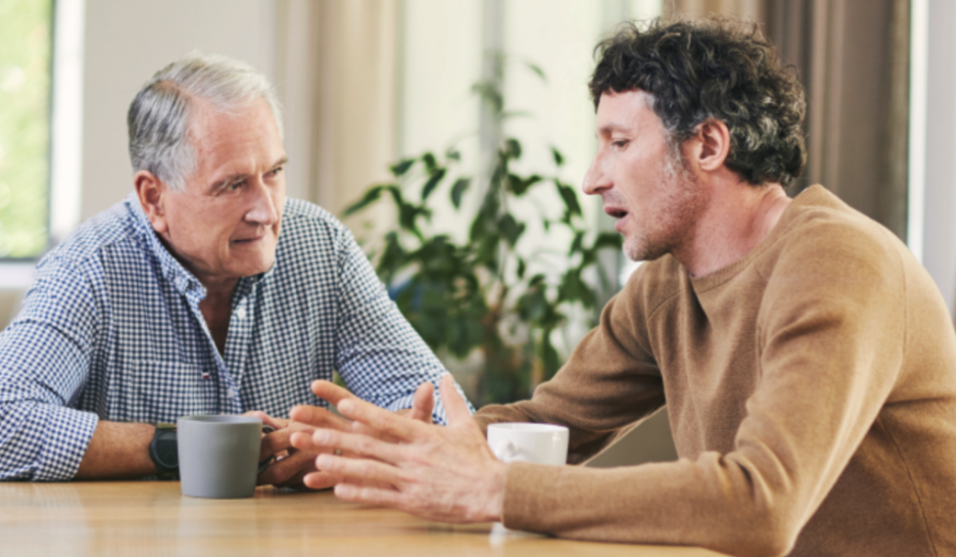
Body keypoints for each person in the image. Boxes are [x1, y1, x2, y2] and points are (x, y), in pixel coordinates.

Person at [286, 19, 956, 556]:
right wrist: (381, 449)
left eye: (618, 142)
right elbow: (550, 425)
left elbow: (762, 502)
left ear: (708, 145)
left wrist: (501, 490)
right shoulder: (666, 287)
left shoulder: (838, 262)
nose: (592, 177)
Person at [0, 52, 471, 486]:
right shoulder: (89, 268)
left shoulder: (321, 246)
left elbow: (448, 414)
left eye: (275, 173)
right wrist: (188, 445)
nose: (267, 211)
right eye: (232, 185)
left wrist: (343, 443)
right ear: (153, 197)